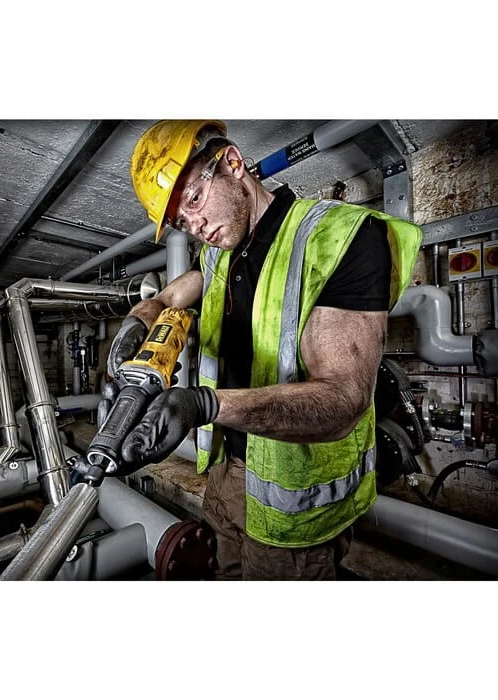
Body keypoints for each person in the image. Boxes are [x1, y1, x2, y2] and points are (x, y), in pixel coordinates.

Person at [79, 120, 422, 580]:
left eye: (194, 200)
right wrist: (135, 325)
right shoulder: (218, 255)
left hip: (295, 507)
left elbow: (343, 399)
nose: (196, 227)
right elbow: (167, 298)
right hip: (226, 473)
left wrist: (203, 405)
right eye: (182, 222)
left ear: (232, 163)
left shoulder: (339, 238)